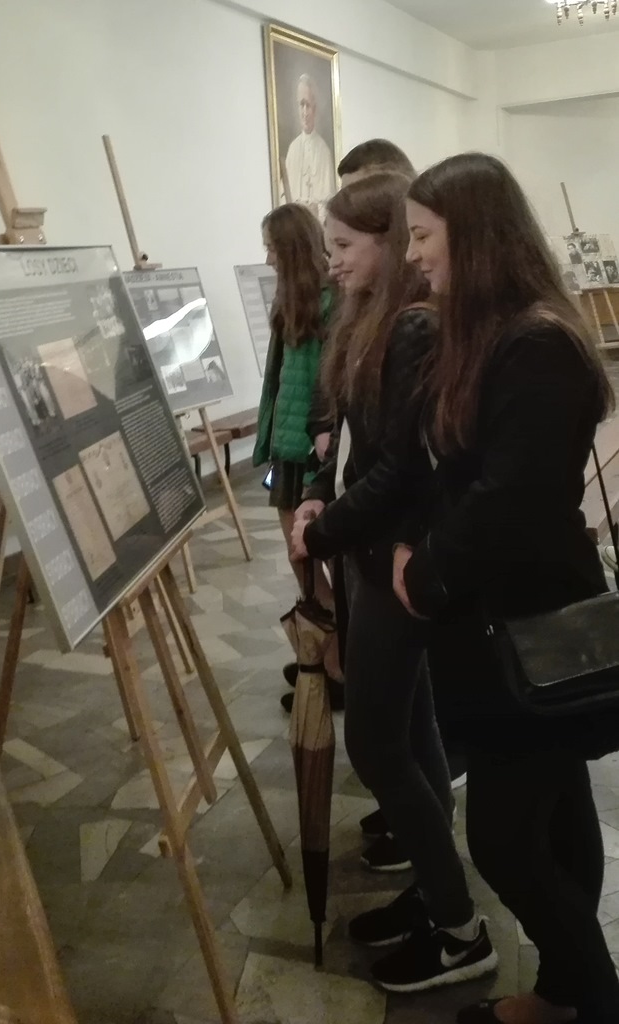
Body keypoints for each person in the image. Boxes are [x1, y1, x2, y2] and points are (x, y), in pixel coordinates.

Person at [393, 152, 619, 1024]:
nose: (414, 253)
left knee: (501, 838)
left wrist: (424, 573)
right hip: (504, 617)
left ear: (477, 235)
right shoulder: (498, 332)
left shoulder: (537, 342)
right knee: (557, 814)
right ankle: (565, 995)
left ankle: (594, 997)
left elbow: (508, 500)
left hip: (529, 619)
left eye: (424, 235)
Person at [290, 172, 497, 994]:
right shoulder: (366, 319)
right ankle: (434, 892)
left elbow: (402, 473)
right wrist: (317, 492)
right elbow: (347, 438)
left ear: (386, 243)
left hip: (394, 560)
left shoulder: (413, 326)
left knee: (378, 743)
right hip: (368, 553)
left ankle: (460, 931)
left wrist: (325, 529)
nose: (333, 263)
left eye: (345, 246)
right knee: (411, 731)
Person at [253, 203, 343, 707]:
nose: (267, 258)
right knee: (302, 559)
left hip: (312, 450)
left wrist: (319, 441)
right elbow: (281, 381)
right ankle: (327, 653)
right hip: (289, 450)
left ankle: (338, 664)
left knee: (317, 556)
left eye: (271, 248)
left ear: (290, 249)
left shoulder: (332, 302)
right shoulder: (294, 301)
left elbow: (329, 381)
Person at [284, 74, 336, 214]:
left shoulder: (324, 151)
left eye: (308, 106)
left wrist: (315, 210)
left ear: (315, 109)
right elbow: (283, 199)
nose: (305, 112)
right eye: (302, 105)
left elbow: (330, 204)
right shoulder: (293, 149)